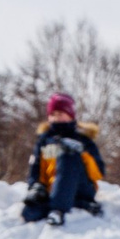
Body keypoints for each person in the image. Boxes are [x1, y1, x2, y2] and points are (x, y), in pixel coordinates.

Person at [22, 93, 104, 227]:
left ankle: (58, 210)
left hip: (81, 187)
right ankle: (77, 204)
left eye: (60, 114)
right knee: (30, 213)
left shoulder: (83, 139)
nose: (56, 118)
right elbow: (35, 168)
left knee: (67, 155)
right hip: (52, 188)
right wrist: (36, 187)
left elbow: (98, 173)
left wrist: (81, 153)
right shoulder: (44, 140)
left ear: (70, 115)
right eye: (52, 114)